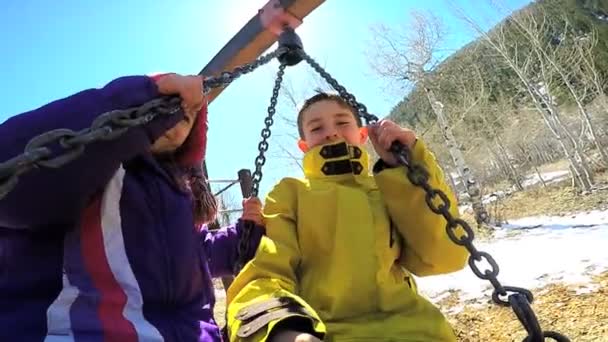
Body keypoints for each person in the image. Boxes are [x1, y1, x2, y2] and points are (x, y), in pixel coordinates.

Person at [0, 73, 264, 341]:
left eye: (188, 115)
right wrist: (136, 97)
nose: (179, 113)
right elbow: (15, 165)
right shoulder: (92, 168)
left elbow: (200, 253)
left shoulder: (179, 195)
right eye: (168, 105)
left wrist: (245, 235)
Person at [225, 92, 468, 342]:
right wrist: (280, 330)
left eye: (342, 123)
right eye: (317, 128)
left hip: (417, 331)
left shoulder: (390, 188)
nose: (331, 132)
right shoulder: (291, 194)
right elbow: (268, 270)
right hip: (326, 333)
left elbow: (444, 258)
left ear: (362, 135)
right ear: (304, 145)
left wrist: (409, 165)